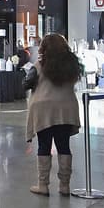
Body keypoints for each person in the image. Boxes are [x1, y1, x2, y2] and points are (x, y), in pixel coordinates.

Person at [25, 33, 83, 197]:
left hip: (43, 109)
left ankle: (43, 185)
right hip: (66, 108)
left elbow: (26, 83)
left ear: (44, 48)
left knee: (44, 146)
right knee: (63, 146)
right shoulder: (72, 65)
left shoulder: (39, 65)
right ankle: (64, 185)